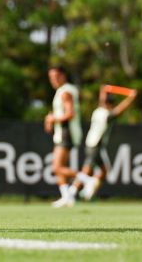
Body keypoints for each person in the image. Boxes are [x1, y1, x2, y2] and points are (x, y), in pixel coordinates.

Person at [74, 85, 138, 201]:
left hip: (90, 145)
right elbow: (120, 109)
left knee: (102, 171)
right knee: (87, 171)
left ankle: (86, 190)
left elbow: (102, 99)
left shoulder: (97, 111)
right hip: (95, 146)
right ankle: (72, 193)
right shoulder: (107, 115)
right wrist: (131, 98)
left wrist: (103, 90)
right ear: (111, 104)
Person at [44, 66, 82, 207]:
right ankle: (67, 196)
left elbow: (70, 114)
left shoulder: (66, 91)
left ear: (63, 76)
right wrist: (51, 120)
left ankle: (85, 178)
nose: (53, 80)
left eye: (56, 76)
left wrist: (53, 119)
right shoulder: (61, 91)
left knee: (57, 167)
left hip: (68, 132)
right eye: (51, 77)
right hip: (62, 132)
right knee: (59, 167)